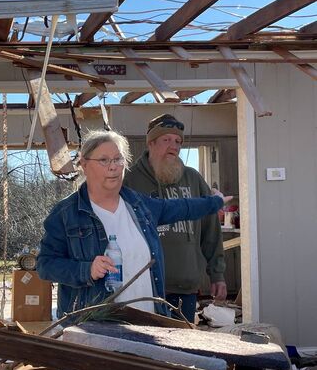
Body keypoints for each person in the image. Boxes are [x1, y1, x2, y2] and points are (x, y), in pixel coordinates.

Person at [37, 129, 230, 320]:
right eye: (104, 160)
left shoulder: (140, 206)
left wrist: (215, 202)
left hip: (147, 322)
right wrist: (86, 270)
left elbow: (181, 207)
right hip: (93, 326)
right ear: (84, 164)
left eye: (118, 159)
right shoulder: (65, 214)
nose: (113, 167)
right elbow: (45, 265)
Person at [124, 114, 227, 322]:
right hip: (143, 288)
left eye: (178, 141)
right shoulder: (130, 180)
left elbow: (211, 229)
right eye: (166, 140)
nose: (174, 146)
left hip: (185, 287)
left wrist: (217, 274)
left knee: (181, 351)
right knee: (145, 350)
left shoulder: (193, 178)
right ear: (151, 143)